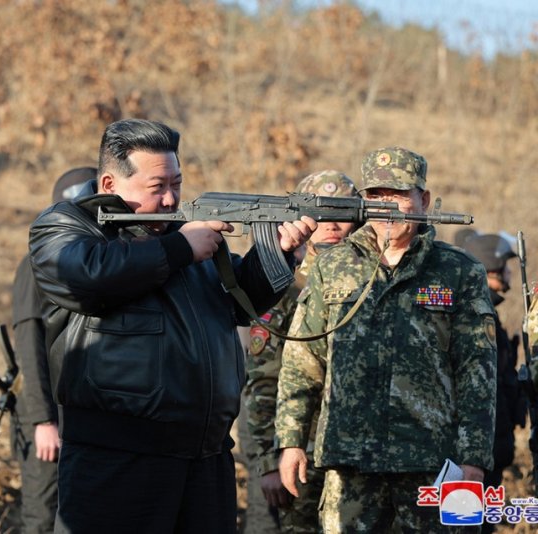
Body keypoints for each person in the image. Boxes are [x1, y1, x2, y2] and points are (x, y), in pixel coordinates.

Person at [28, 118, 316, 533]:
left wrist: (280, 253)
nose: (170, 199)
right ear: (110, 183)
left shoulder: (184, 236)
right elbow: (82, 274)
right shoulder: (67, 226)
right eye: (157, 186)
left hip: (205, 460)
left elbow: (237, 301)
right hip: (115, 460)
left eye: (176, 184)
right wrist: (180, 247)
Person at [276, 146, 497, 532]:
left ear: (423, 200)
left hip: (432, 464)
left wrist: (474, 458)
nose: (386, 206)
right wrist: (291, 441)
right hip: (350, 464)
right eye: (375, 196)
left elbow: (477, 371)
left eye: (398, 194)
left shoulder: (459, 271)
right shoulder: (333, 265)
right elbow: (302, 360)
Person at [242, 170, 359, 534]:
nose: (331, 224)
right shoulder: (285, 283)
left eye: (341, 212)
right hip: (300, 454)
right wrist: (268, 462)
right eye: (320, 212)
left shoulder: (373, 278)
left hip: (359, 455)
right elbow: (263, 378)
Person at [10, 166, 97, 534]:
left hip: (81, 412)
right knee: (43, 513)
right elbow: (29, 344)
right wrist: (43, 421)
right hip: (47, 415)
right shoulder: (37, 263)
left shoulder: (96, 262)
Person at [461, 232, 525, 534]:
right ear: (491, 269)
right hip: (478, 455)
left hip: (490, 448)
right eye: (505, 267)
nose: (510, 274)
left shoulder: (488, 311)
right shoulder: (476, 312)